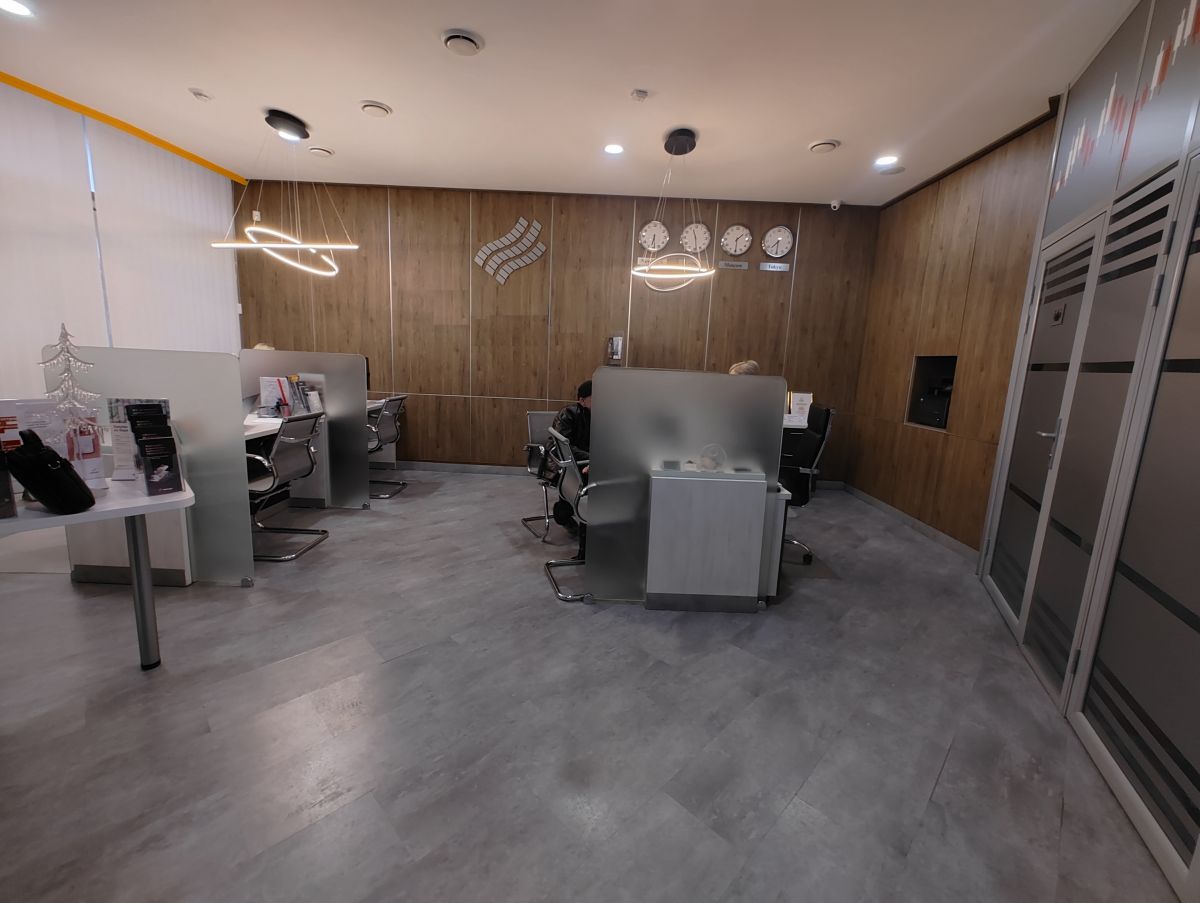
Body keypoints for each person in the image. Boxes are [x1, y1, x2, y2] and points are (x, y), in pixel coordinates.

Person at [550, 380, 591, 555]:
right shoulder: (568, 414)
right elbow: (562, 446)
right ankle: (586, 544)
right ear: (582, 400)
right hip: (566, 464)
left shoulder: (605, 416)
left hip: (587, 463)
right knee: (586, 490)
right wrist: (591, 458)